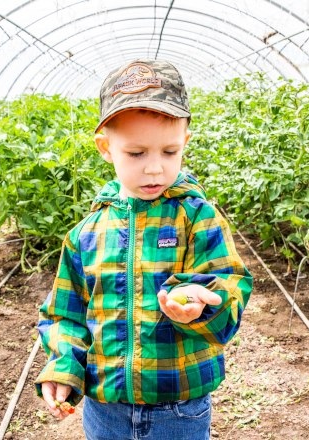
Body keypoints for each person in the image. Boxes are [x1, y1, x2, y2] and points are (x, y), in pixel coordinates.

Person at [34, 58, 253, 440]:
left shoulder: (196, 217)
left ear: (185, 141)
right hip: (106, 411)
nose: (155, 168)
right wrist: (64, 367)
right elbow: (64, 316)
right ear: (106, 147)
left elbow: (230, 285)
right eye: (136, 154)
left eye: (169, 152)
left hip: (180, 408)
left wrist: (203, 302)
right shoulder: (85, 235)